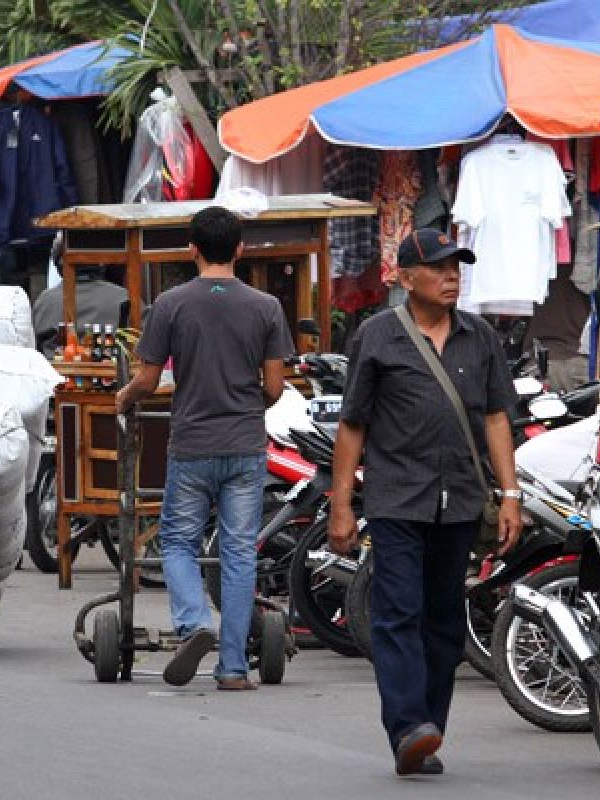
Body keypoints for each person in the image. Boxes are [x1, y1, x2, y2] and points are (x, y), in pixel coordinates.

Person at [329, 228, 523, 776]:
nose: (451, 277)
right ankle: (408, 724)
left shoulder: (479, 336)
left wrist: (510, 496)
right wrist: (342, 506)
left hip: (460, 499)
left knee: (443, 620)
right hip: (396, 497)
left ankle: (426, 731)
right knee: (397, 614)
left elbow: (494, 419)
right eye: (439, 268)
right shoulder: (377, 336)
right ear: (405, 277)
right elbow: (352, 426)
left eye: (456, 267)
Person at [115, 206, 292, 690]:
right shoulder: (266, 307)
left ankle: (195, 623)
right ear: (240, 249)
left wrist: (124, 396)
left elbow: (148, 380)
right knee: (237, 552)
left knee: (176, 541)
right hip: (245, 445)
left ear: (191, 249)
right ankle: (233, 668)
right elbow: (275, 388)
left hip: (192, 443)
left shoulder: (170, 305)